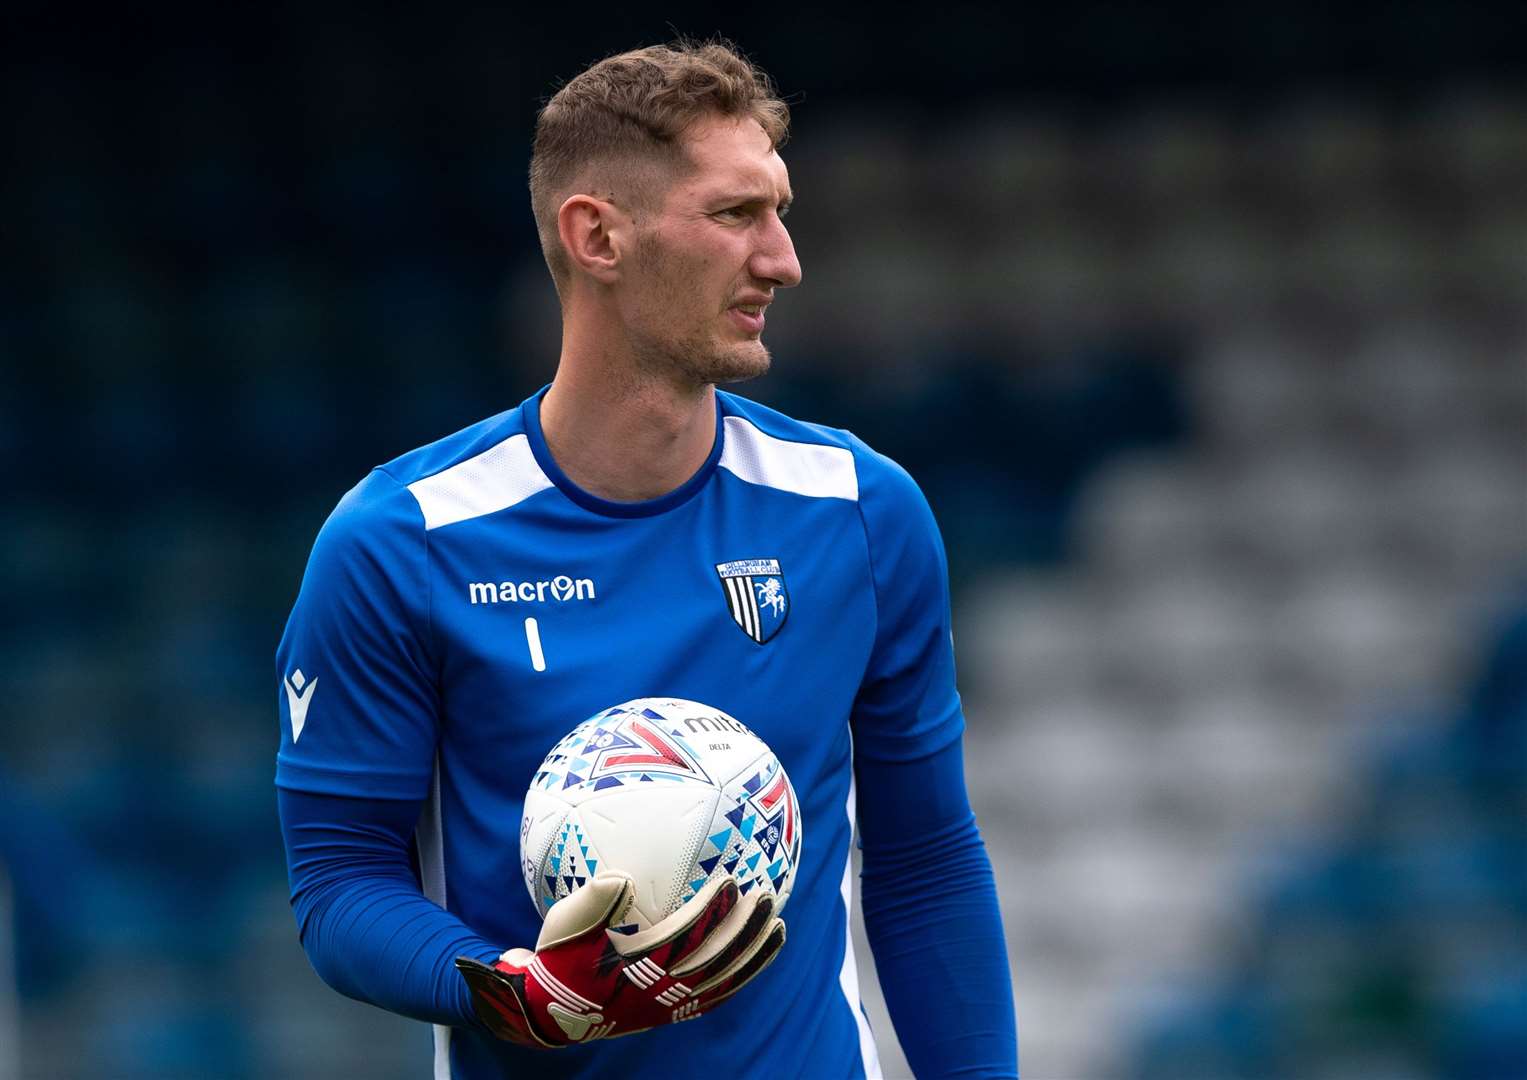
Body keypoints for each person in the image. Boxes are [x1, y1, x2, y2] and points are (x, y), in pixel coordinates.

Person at [276, 38, 1018, 1079]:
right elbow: (339, 882)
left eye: (781, 210)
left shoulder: (860, 511)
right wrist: (515, 994)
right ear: (598, 237)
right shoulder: (402, 543)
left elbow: (926, 861)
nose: (783, 259)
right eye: (735, 215)